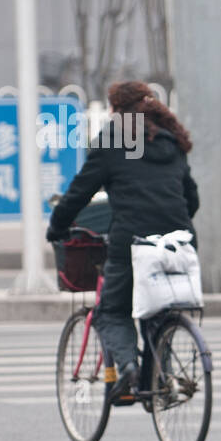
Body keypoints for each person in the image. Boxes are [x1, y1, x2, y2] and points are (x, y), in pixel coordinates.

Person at [46, 81, 199, 402]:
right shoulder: (170, 142)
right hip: (178, 241)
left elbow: (79, 194)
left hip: (133, 241)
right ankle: (162, 377)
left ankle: (128, 367)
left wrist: (57, 226)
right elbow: (191, 199)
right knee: (158, 311)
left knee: (111, 312)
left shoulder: (117, 139)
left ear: (116, 110)